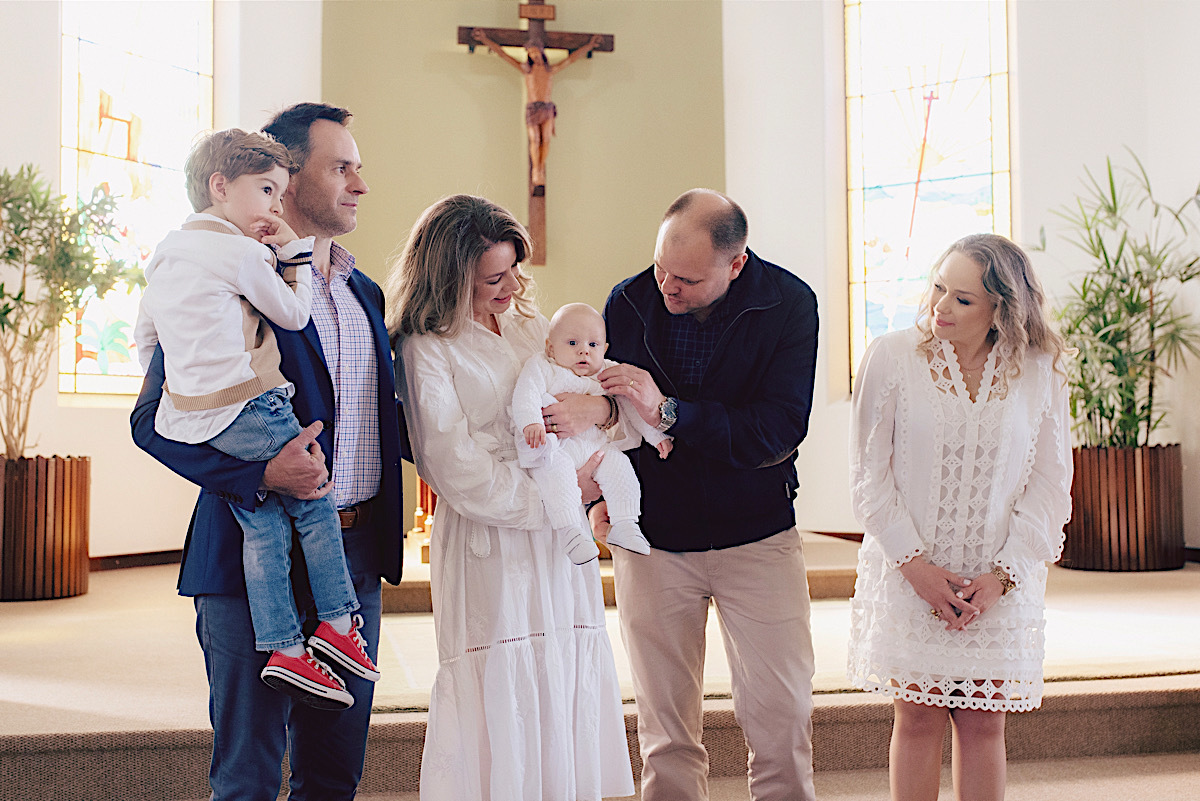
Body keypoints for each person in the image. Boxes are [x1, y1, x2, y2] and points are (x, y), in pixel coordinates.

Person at [131, 103, 404, 801]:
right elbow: (152, 420)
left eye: (359, 168)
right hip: (249, 557)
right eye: (341, 167)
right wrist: (261, 471)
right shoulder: (213, 273)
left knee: (335, 775)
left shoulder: (364, 290)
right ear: (284, 178)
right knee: (250, 775)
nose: (359, 184)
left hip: (353, 558)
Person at [386, 194, 634, 800]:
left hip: (558, 530)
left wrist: (597, 412)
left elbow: (588, 393)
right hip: (489, 535)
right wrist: (557, 497)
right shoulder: (427, 347)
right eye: (495, 277)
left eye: (514, 270)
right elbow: (450, 462)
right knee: (502, 678)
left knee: (562, 670)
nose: (513, 284)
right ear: (451, 275)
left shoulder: (532, 326)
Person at [585, 188, 820, 801]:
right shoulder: (629, 301)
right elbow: (605, 418)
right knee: (665, 733)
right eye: (662, 267)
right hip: (653, 537)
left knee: (782, 715)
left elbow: (775, 433)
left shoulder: (789, 304)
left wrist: (668, 411)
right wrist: (595, 499)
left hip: (757, 533)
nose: (668, 286)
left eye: (686, 278)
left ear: (736, 263)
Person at [846, 233, 1073, 801]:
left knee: (985, 723)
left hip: (999, 580)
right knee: (918, 720)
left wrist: (1004, 576)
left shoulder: (1040, 370)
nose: (940, 307)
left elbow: (1050, 482)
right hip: (910, 572)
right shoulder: (892, 355)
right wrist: (916, 568)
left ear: (1004, 307)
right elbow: (869, 475)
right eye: (939, 288)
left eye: (963, 299)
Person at [512, 301, 671, 564]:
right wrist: (531, 423)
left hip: (594, 448)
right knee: (557, 477)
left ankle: (625, 523)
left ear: (605, 349)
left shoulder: (606, 372)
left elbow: (632, 406)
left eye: (593, 345)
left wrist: (657, 436)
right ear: (550, 347)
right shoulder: (542, 366)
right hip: (555, 447)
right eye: (572, 343)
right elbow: (525, 393)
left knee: (620, 467)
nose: (584, 351)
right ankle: (570, 532)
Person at [471, 28, 603, 189]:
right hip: (532, 109)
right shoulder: (526, 70)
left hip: (547, 109)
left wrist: (589, 45)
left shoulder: (550, 70)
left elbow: (572, 59)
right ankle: (536, 169)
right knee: (535, 140)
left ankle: (541, 168)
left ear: (541, 52)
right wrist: (485, 40)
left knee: (546, 140)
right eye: (531, 53)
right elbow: (503, 54)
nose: (534, 56)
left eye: (536, 52)